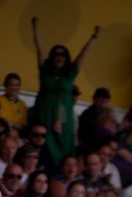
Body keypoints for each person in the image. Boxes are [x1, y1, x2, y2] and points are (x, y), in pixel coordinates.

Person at [30, 18, 100, 165]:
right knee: (43, 144)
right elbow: (40, 49)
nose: (59, 56)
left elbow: (83, 55)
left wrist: (93, 39)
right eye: (56, 54)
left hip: (63, 115)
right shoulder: (45, 71)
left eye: (62, 54)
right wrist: (35, 29)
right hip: (44, 113)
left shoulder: (70, 73)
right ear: (52, 57)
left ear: (66, 58)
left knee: (63, 144)